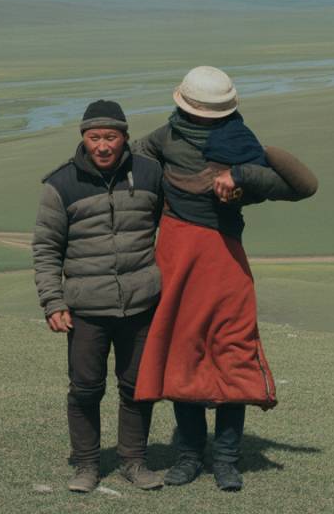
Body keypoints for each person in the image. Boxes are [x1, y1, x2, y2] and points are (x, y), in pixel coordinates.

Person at [132, 66, 318, 492]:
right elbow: (137, 153)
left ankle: (227, 458)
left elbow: (304, 187)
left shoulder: (241, 146)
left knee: (232, 353)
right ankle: (189, 456)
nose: (202, 121)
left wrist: (244, 172)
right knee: (184, 353)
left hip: (224, 264)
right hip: (177, 260)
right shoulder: (165, 136)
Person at [32, 99, 166, 493]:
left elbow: (173, 227)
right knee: (86, 388)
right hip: (87, 308)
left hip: (141, 303)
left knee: (137, 386)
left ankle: (133, 462)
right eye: (95, 138)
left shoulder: (150, 173)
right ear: (84, 139)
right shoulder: (60, 184)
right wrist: (52, 303)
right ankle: (87, 465)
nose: (103, 146)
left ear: (125, 137)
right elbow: (46, 249)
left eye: (111, 137)